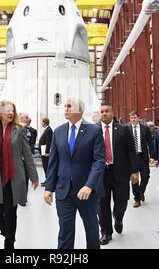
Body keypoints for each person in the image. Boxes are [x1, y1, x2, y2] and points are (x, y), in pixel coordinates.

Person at [0, 100, 39, 249]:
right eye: (7, 110)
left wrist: (34, 176)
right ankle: (8, 233)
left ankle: (9, 245)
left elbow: (27, 154)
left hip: (14, 178)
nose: (11, 113)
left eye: (12, 110)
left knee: (10, 214)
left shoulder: (19, 129)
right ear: (0, 112)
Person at [44, 97, 105, 249]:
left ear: (80, 110)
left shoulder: (94, 131)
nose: (66, 109)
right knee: (65, 231)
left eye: (69, 106)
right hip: (64, 191)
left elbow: (99, 161)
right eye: (65, 106)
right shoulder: (58, 132)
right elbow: (53, 162)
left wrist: (89, 185)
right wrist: (49, 188)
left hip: (87, 192)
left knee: (91, 231)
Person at [98, 104, 138, 245]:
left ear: (112, 112)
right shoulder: (94, 130)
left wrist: (134, 171)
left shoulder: (123, 129)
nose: (104, 113)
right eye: (102, 111)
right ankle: (105, 232)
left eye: (107, 111)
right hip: (101, 174)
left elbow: (131, 151)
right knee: (102, 205)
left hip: (120, 171)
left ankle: (118, 217)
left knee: (121, 202)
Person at [128, 111, 155, 207]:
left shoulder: (145, 129)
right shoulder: (126, 129)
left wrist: (152, 156)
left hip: (143, 157)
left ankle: (140, 192)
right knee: (134, 178)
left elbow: (150, 143)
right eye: (131, 118)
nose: (133, 119)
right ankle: (137, 199)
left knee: (146, 176)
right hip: (132, 158)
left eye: (135, 117)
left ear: (138, 118)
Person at [38, 117, 53, 187]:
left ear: (44, 122)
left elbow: (48, 141)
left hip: (45, 153)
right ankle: (47, 180)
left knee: (46, 167)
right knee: (45, 167)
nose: (41, 123)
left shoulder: (48, 130)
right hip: (43, 152)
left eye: (42, 122)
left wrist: (47, 152)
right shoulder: (46, 130)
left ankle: (48, 181)